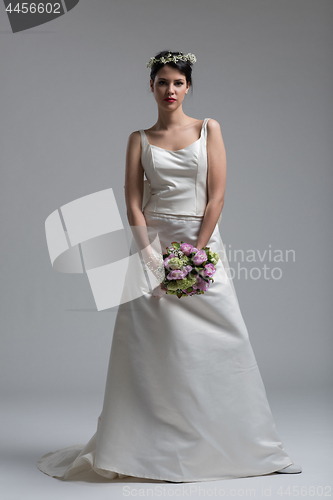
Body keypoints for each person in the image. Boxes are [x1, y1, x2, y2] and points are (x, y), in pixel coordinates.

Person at [37, 50, 302, 482]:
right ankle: (146, 451)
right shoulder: (138, 138)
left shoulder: (208, 129)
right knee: (148, 348)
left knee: (220, 344)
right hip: (151, 245)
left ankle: (235, 446)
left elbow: (216, 196)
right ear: (151, 87)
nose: (170, 90)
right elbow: (133, 203)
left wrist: (198, 253)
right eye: (162, 82)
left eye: (178, 82)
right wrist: (149, 258)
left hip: (200, 243)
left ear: (189, 86)